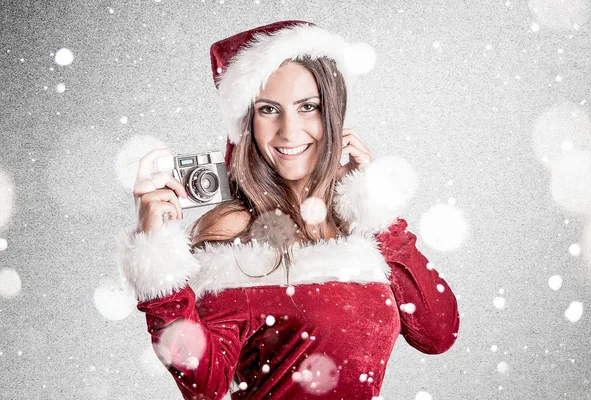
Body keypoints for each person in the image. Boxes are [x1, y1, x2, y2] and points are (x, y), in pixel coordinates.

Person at [117, 20, 460, 400]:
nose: (289, 131)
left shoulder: (357, 228)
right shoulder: (234, 231)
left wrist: (375, 210)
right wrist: (159, 272)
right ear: (247, 122)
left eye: (308, 107)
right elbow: (206, 386)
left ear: (332, 113)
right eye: (268, 109)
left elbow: (437, 333)